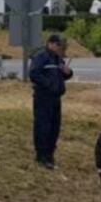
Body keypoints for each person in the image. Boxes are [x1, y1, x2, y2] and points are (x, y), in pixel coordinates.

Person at [29, 34, 73, 169]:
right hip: (43, 97)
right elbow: (34, 74)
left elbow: (64, 75)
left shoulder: (58, 59)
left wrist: (68, 72)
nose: (60, 48)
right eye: (58, 45)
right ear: (50, 44)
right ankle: (42, 155)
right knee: (43, 126)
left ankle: (50, 154)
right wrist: (48, 84)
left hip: (56, 97)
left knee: (54, 127)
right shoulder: (41, 57)